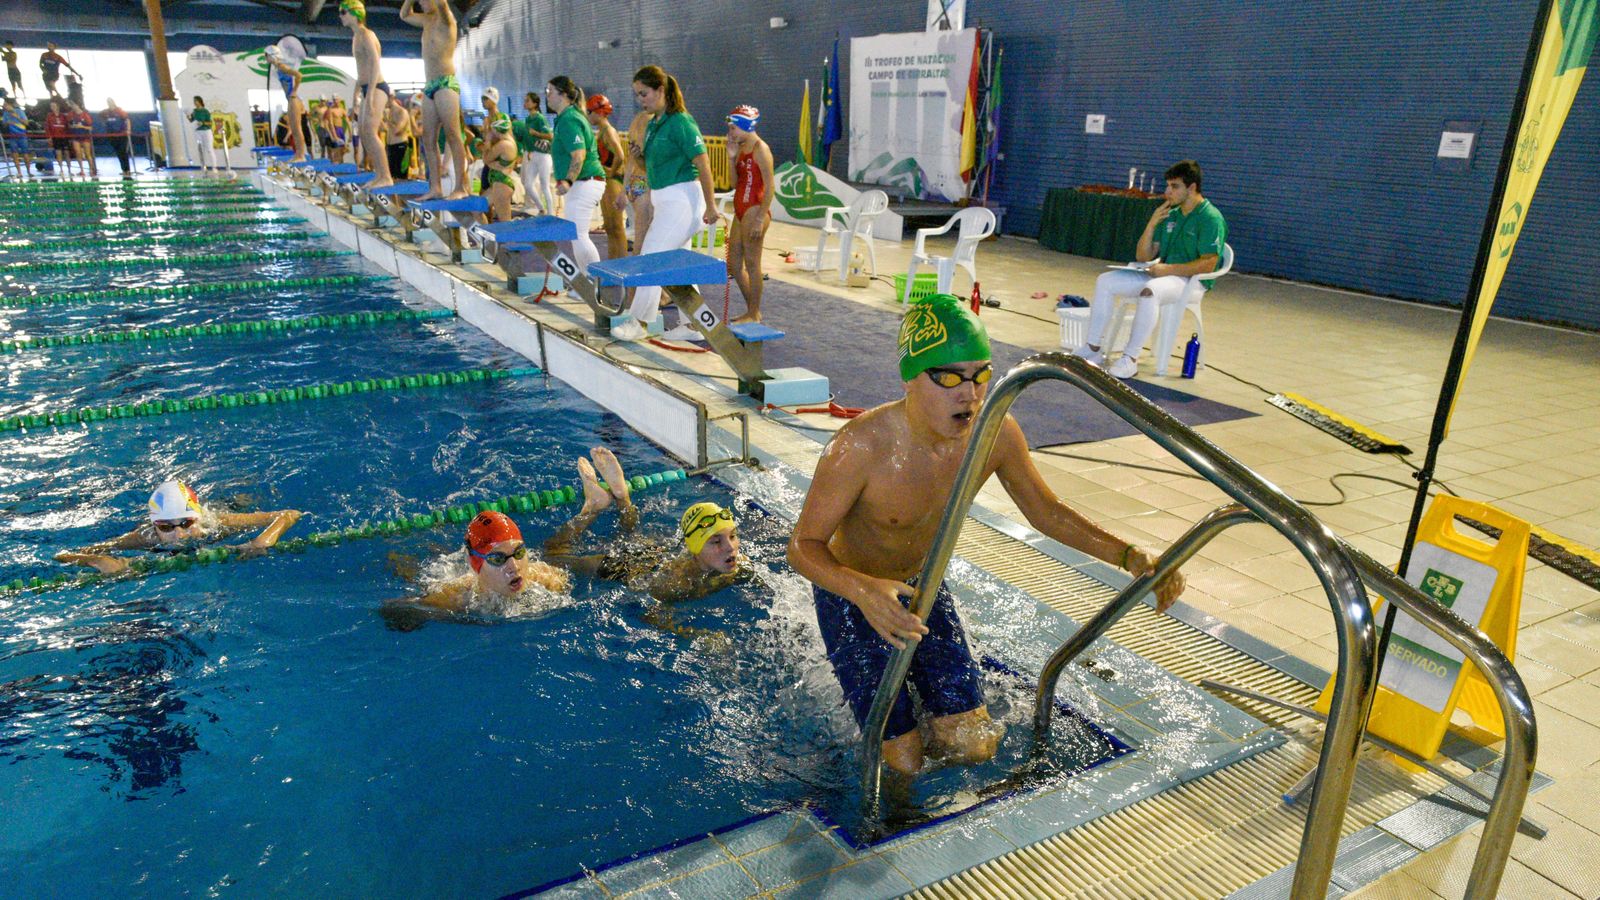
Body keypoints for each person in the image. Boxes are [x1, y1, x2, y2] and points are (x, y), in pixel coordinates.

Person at [787, 294, 1186, 782]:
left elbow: (1045, 511)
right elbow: (802, 547)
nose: (970, 394)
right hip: (851, 596)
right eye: (949, 378)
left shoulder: (995, 433)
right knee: (902, 763)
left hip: (921, 585)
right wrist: (863, 591)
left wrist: (1129, 555)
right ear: (910, 377)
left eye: (980, 375)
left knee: (973, 746)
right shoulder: (859, 446)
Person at [541, 448, 752, 640]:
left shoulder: (738, 563)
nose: (730, 547)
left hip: (658, 553)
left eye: (733, 536)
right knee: (554, 555)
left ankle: (623, 497)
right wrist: (694, 635)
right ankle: (592, 508)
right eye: (716, 541)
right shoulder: (674, 584)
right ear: (695, 548)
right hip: (626, 567)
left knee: (631, 536)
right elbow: (650, 616)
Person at [1074, 160, 1227, 379]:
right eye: (1168, 186)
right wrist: (1151, 224)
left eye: (1174, 186)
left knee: (1150, 291)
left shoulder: (1210, 218)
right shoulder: (1171, 215)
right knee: (1105, 281)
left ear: (1192, 187)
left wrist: (1168, 269)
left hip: (1193, 282)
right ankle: (1093, 349)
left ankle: (1130, 359)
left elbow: (1209, 263)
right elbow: (1143, 256)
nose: (1167, 192)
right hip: (1165, 274)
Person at [611, 65, 719, 342]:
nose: (640, 100)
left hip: (683, 201)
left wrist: (711, 206)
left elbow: (703, 165)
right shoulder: (655, 124)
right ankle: (693, 325)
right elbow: (651, 166)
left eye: (644, 94)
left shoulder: (682, 122)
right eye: (637, 95)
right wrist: (639, 156)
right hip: (665, 200)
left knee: (651, 258)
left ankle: (639, 322)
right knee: (679, 266)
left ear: (661, 90)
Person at [55, 480, 303, 576]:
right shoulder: (145, 538)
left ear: (197, 518)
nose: (179, 534)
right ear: (155, 527)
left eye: (186, 523)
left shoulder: (219, 524)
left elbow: (289, 514)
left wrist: (261, 542)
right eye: (166, 527)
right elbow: (63, 555)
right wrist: (99, 560)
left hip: (220, 510)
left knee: (240, 502)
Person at [406, 510, 571, 616]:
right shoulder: (454, 599)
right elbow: (404, 608)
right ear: (475, 565)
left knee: (555, 551)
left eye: (519, 552)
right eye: (498, 559)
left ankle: (586, 512)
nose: (514, 567)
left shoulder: (546, 580)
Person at [401, 0, 467, 200]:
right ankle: (436, 187)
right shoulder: (426, 20)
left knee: (453, 134)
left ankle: (460, 187)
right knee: (428, 139)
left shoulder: (447, 19)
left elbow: (443, 5)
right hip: (429, 86)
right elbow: (404, 14)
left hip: (446, 83)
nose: (421, 3)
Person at [545, 76, 606, 275]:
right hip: (582, 183)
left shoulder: (569, 119)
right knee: (577, 236)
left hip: (584, 182)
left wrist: (568, 181)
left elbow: (579, 155)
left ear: (563, 95)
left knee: (579, 235)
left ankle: (595, 282)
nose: (547, 96)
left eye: (550, 91)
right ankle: (588, 280)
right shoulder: (566, 117)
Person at [725, 105, 774, 324]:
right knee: (734, 265)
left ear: (746, 126)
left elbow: (770, 186)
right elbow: (734, 184)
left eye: (733, 128)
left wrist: (760, 218)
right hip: (740, 209)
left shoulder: (760, 149)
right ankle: (752, 311)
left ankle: (753, 313)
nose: (730, 133)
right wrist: (731, 158)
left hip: (755, 209)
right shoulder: (740, 148)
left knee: (753, 264)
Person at [341, 0, 393, 187]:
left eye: (343, 11)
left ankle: (386, 177)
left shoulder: (366, 35)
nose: (340, 16)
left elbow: (375, 64)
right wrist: (355, 95)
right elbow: (361, 70)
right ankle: (379, 175)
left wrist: (370, 95)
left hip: (377, 87)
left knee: (370, 132)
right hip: (366, 88)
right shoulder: (356, 37)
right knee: (363, 133)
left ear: (356, 13)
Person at [586, 94, 628, 262]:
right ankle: (612, 263)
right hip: (608, 182)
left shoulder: (608, 131)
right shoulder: (603, 131)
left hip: (613, 182)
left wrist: (611, 172)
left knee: (617, 227)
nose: (588, 116)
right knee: (610, 228)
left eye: (589, 112)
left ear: (599, 112)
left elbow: (620, 155)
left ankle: (623, 264)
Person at [516, 91, 555, 215]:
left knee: (545, 185)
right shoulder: (528, 119)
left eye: (527, 100)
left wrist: (536, 133)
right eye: (525, 100)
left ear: (535, 103)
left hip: (543, 156)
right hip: (533, 155)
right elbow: (528, 138)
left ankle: (550, 213)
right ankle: (541, 208)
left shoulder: (540, 118)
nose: (525, 103)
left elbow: (550, 136)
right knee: (528, 184)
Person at [266, 47, 307, 163]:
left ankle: (301, 155)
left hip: (293, 99)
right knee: (294, 129)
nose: (266, 58)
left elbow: (299, 75)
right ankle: (298, 154)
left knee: (296, 129)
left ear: (272, 55)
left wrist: (294, 91)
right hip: (291, 99)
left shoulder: (282, 67)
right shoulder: (279, 67)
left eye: (266, 55)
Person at [480, 115, 519, 222]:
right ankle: (485, 232)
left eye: (490, 130)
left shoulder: (504, 144)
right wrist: (492, 163)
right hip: (497, 183)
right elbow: (489, 162)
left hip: (502, 185)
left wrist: (488, 141)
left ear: (495, 130)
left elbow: (486, 159)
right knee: (476, 209)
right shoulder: (507, 142)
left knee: (505, 222)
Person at [382, 91, 413, 182]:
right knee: (391, 178)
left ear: (391, 98)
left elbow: (397, 131)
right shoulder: (388, 112)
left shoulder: (402, 112)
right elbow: (383, 129)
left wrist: (387, 119)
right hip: (390, 147)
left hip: (401, 147)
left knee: (401, 178)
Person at [2, 96, 31, 178]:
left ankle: (28, 172)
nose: (4, 106)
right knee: (14, 154)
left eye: (6, 104)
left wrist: (17, 117)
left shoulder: (19, 112)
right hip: (12, 136)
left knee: (25, 154)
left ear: (10, 105)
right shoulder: (5, 114)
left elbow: (26, 123)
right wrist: (7, 123)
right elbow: (4, 124)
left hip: (22, 136)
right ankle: (19, 172)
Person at [66, 99, 94, 177]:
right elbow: (69, 125)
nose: (73, 107)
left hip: (85, 136)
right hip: (75, 137)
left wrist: (82, 126)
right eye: (72, 106)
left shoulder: (85, 115)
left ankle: (91, 169)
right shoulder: (70, 115)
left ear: (78, 105)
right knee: (78, 153)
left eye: (74, 105)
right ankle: (81, 170)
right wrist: (73, 126)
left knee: (88, 154)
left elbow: (90, 128)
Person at [188, 95, 215, 172]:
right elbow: (191, 120)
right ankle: (203, 166)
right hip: (198, 131)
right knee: (201, 150)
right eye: (194, 101)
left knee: (209, 149)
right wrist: (188, 116)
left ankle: (214, 167)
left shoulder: (205, 111)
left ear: (200, 101)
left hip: (206, 131)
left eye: (196, 101)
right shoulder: (194, 111)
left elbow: (210, 123)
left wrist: (202, 123)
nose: (195, 103)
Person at [43, 98, 70, 175]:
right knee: (58, 153)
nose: (52, 108)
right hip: (56, 137)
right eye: (51, 106)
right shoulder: (49, 116)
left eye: (54, 106)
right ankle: (61, 170)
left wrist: (69, 137)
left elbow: (67, 126)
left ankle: (69, 169)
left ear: (58, 106)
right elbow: (47, 127)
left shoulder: (63, 116)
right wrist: (49, 137)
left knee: (67, 153)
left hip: (64, 137)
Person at [323, 98, 351, 164]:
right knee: (334, 149)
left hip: (340, 130)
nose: (330, 106)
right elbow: (327, 124)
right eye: (329, 104)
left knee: (342, 149)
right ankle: (334, 163)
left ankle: (341, 162)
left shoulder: (342, 110)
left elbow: (348, 122)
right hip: (334, 130)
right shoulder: (329, 111)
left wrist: (350, 133)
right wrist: (332, 135)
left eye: (337, 101)